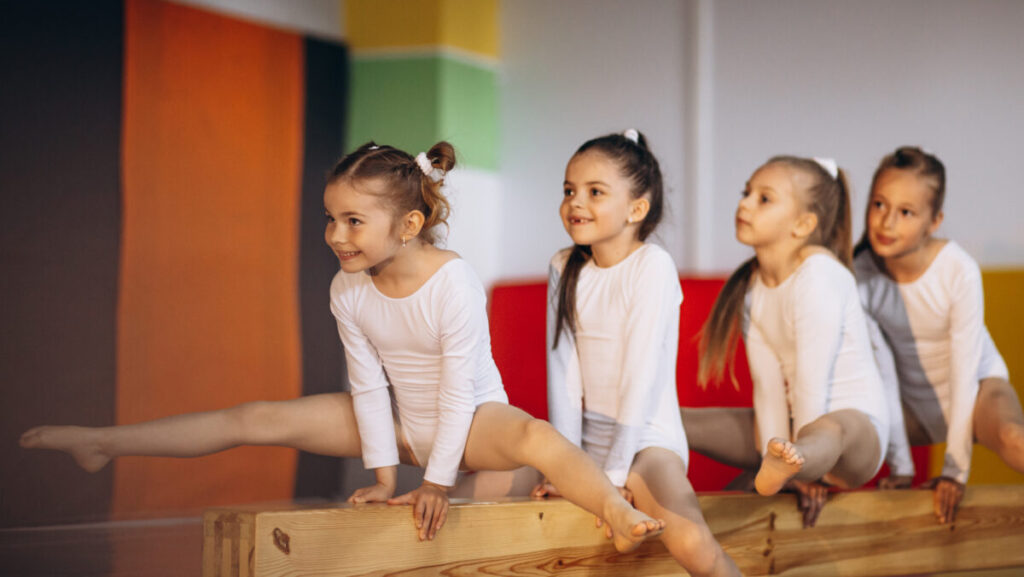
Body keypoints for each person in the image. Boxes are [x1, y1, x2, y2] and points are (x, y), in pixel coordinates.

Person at [21, 141, 664, 549]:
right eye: (331, 217)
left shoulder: (453, 281)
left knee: (537, 439)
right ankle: (104, 442)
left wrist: (436, 481)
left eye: (354, 221)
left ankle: (617, 509)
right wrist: (385, 474)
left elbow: (455, 386)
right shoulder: (348, 288)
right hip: (395, 419)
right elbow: (366, 383)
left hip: (469, 420)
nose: (336, 234)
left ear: (410, 225)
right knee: (259, 417)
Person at [535, 130, 739, 576]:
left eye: (594, 192)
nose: (575, 202)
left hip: (646, 440)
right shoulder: (563, 265)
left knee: (689, 540)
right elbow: (562, 371)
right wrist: (567, 464)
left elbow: (640, 377)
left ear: (636, 209)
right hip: (586, 444)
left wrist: (611, 476)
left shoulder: (652, 266)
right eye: (569, 190)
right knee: (487, 488)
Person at [686, 155, 890, 527]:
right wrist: (774, 458)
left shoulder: (819, 274)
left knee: (830, 427)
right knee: (673, 419)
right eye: (746, 193)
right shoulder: (754, 290)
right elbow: (767, 391)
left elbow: (812, 381)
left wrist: (803, 471)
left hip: (857, 436)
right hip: (797, 431)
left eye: (764, 198)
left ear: (803, 224)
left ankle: (793, 462)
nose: (744, 204)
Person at [854, 146, 1024, 524]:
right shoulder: (860, 277)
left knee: (1015, 439)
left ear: (934, 221)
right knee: (843, 445)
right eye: (879, 205)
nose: (886, 222)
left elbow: (964, 370)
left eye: (906, 212)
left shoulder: (957, 270)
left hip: (978, 391)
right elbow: (881, 375)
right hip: (915, 407)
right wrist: (901, 467)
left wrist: (955, 470)